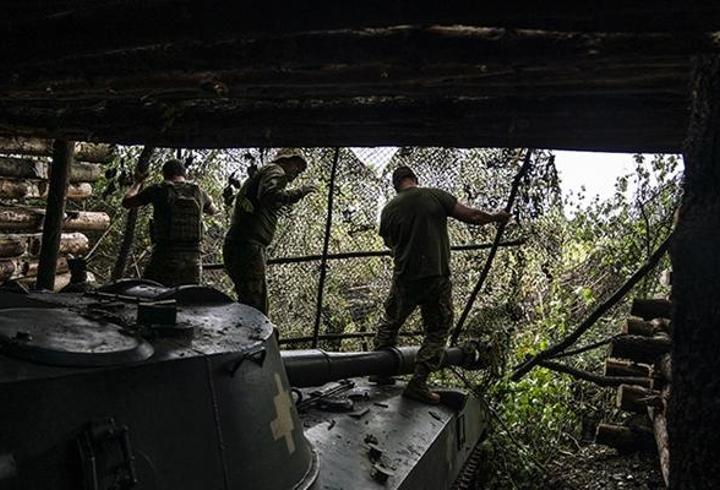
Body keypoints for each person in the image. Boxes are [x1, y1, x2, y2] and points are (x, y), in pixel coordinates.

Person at [374, 165, 510, 404]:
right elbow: (473, 216)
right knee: (437, 330)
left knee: (390, 323)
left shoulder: (388, 210)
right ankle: (418, 382)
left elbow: (389, 242)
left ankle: (380, 371)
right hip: (435, 275)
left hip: (405, 277)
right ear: (415, 178)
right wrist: (495, 217)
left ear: (396, 185)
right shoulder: (434, 195)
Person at [223, 148, 315, 315]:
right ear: (286, 160)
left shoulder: (262, 174)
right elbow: (269, 195)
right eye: (297, 167)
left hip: (240, 244)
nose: (297, 174)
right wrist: (298, 193)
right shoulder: (275, 171)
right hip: (248, 246)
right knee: (256, 308)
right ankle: (251, 339)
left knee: (250, 302)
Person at [122, 158, 217, 286]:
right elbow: (213, 210)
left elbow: (127, 202)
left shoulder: (158, 190)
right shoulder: (198, 191)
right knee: (189, 300)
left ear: (165, 174)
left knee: (149, 293)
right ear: (185, 174)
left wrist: (138, 183)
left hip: (164, 256)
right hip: (193, 259)